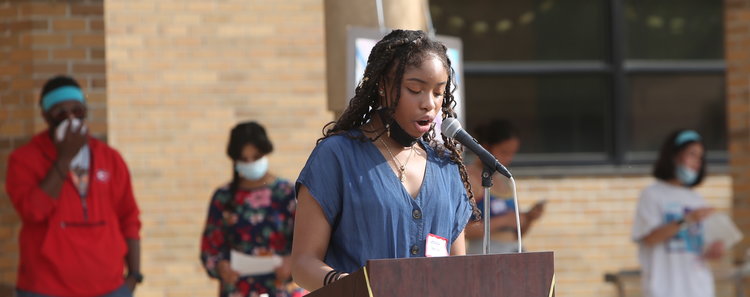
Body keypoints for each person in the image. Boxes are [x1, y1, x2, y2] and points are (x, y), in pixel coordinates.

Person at [290, 29, 476, 292]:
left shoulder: (446, 166)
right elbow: (303, 263)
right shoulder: (336, 157)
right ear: (382, 86)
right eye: (415, 89)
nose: (429, 104)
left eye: (438, 92)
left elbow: (459, 271)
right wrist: (352, 286)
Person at [5, 75, 142, 297]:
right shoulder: (23, 159)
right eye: (60, 112)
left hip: (109, 286)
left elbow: (129, 217)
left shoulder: (110, 157)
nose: (70, 118)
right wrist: (64, 158)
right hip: (46, 287)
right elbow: (33, 211)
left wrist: (134, 276)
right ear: (46, 116)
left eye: (77, 110)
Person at [200, 121, 304, 297]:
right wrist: (221, 267)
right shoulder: (224, 197)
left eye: (255, 157)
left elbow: (309, 241)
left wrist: (292, 261)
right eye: (244, 159)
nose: (250, 163)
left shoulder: (286, 193)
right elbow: (210, 247)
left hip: (281, 289)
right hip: (238, 290)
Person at [632, 129, 724, 297]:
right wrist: (687, 220)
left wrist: (714, 251)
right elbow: (650, 238)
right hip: (664, 290)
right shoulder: (652, 195)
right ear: (674, 156)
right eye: (692, 154)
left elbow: (699, 248)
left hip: (699, 289)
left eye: (700, 157)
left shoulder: (697, 199)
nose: (697, 162)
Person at [464, 119, 545, 254]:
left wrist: (528, 219)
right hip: (485, 252)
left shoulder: (505, 179)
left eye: (512, 153)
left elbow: (515, 234)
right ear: (485, 147)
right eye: (504, 152)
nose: (508, 159)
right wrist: (503, 221)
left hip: (513, 250)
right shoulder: (468, 177)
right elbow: (461, 231)